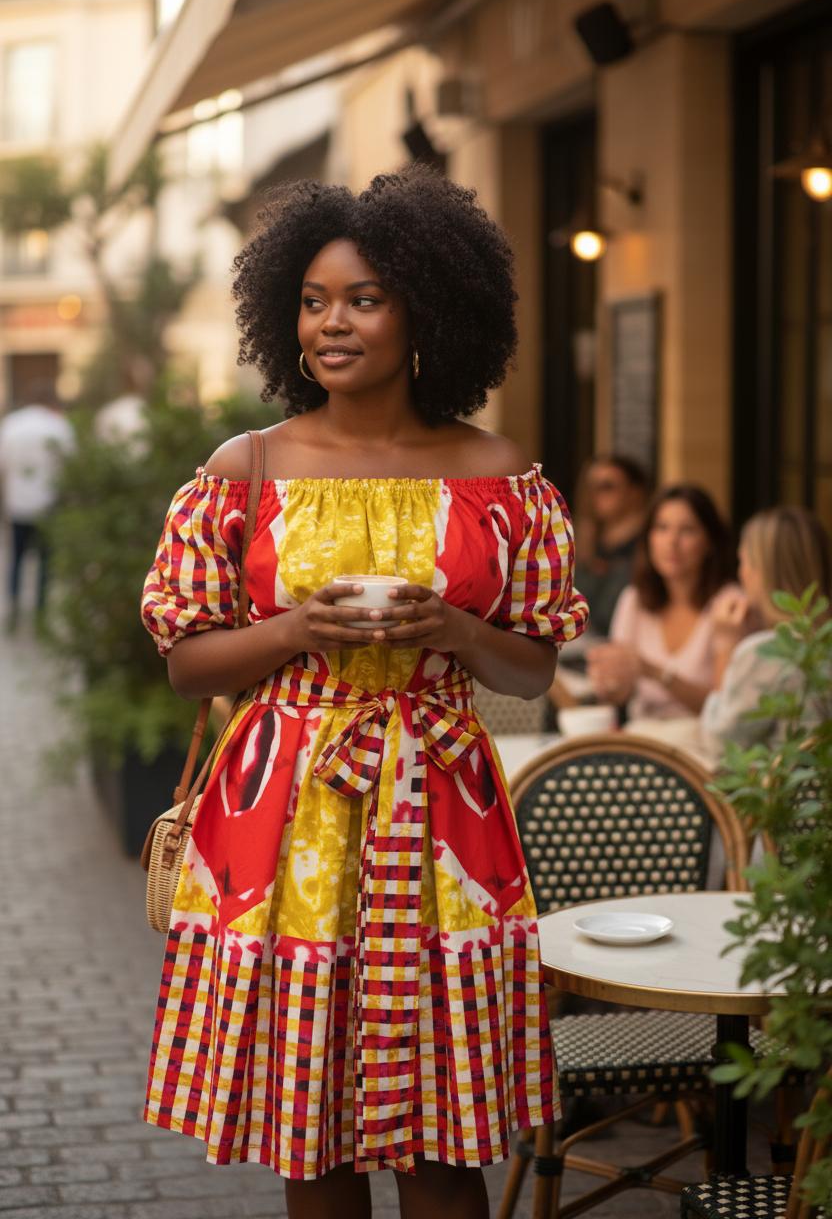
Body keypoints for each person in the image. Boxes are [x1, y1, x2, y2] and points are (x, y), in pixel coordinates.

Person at [140, 167, 588, 1219]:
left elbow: (532, 665)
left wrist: (459, 631)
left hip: (443, 822)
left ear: (427, 309)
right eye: (311, 300)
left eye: (362, 298)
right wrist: (297, 630)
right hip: (284, 822)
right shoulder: (243, 470)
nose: (330, 323)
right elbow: (185, 660)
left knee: (442, 1141)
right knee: (316, 1137)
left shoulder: (498, 476)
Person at [587, 484, 738, 720]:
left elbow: (726, 712)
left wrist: (654, 672)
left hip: (699, 746)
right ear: (648, 538)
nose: (672, 542)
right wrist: (609, 683)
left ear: (710, 541)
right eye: (662, 528)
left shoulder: (730, 605)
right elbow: (621, 696)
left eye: (687, 530)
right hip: (644, 740)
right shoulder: (634, 599)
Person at [701, 506, 832, 755]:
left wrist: (725, 646)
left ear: (763, 570)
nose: (741, 573)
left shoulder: (765, 652)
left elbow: (720, 746)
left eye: (744, 562)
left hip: (784, 793)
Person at [0, 382, 75, 629]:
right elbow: (72, 466)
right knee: (44, 561)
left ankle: (13, 609)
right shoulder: (58, 425)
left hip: (17, 503)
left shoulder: (11, 424)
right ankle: (40, 613)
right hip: (47, 504)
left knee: (17, 558)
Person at [573, 454, 649, 638]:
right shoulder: (584, 543)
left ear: (634, 492)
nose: (595, 495)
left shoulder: (648, 545)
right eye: (591, 487)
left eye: (607, 487)